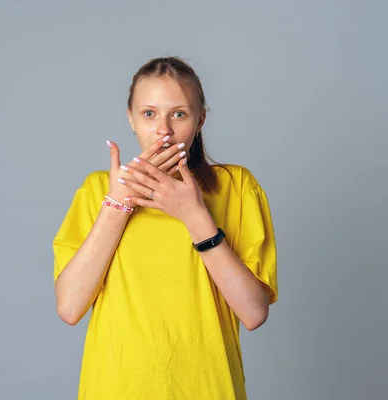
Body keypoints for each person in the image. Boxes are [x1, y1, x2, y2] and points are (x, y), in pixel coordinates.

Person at [52, 56, 278, 400]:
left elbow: (253, 312)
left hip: (209, 388)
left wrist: (194, 215)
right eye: (149, 113)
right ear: (130, 118)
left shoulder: (236, 187)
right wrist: (119, 204)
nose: (164, 130)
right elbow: (69, 307)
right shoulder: (97, 190)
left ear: (200, 120)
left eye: (179, 114)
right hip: (115, 389)